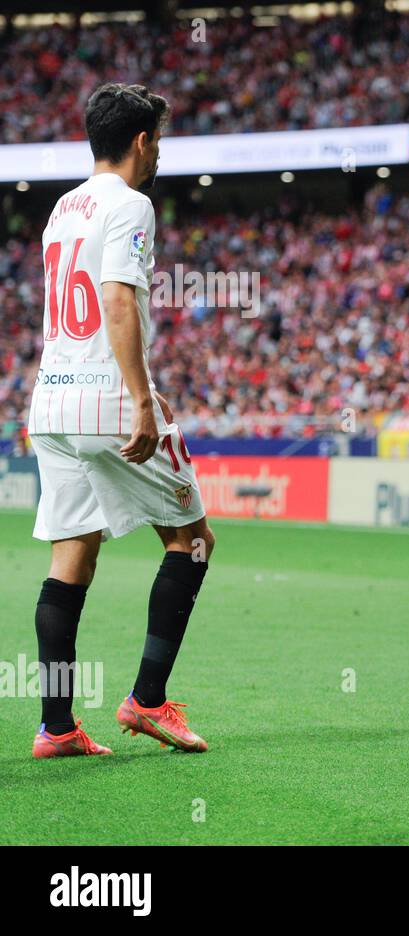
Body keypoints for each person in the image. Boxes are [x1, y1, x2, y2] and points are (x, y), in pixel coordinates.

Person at [28, 83, 213, 758]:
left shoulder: (60, 207)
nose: (158, 151)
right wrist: (140, 396)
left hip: (53, 399)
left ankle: (55, 727)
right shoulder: (132, 204)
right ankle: (149, 700)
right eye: (158, 139)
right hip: (108, 399)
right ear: (142, 141)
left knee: (71, 555)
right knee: (193, 541)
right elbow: (117, 301)